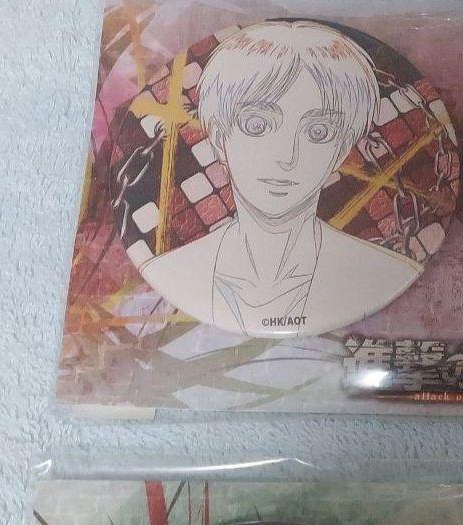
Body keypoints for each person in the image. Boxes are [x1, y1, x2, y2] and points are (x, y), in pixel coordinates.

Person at [142, 21, 419, 336]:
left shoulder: (382, 272)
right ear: (219, 137)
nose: (287, 157)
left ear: (341, 150)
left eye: (318, 132)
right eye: (257, 125)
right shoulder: (170, 271)